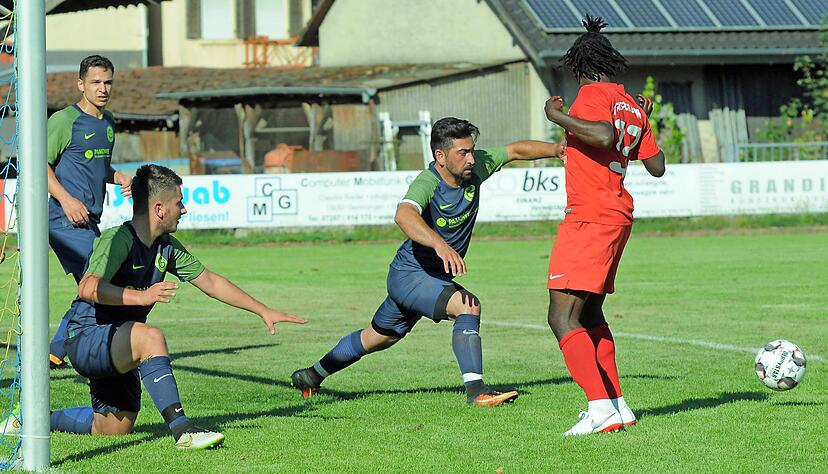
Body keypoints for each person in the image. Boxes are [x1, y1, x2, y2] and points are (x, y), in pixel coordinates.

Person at [4, 164, 306, 449]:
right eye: (179, 202)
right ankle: (183, 430)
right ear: (159, 209)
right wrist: (142, 296)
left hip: (120, 340)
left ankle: (31, 419)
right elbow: (88, 287)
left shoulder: (166, 247)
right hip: (86, 336)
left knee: (113, 428)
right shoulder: (117, 239)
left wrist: (262, 309)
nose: (184, 209)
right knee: (151, 337)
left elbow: (210, 281)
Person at [291, 117, 565, 406]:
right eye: (463, 152)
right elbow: (403, 215)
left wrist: (555, 148)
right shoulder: (428, 182)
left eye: (472, 150)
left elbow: (515, 151)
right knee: (467, 306)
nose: (472, 158)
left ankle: (311, 375)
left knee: (376, 338)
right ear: (440, 156)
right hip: (410, 274)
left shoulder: (476, 166)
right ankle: (476, 391)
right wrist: (440, 244)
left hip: (427, 278)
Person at [542, 15, 666, 436]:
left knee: (561, 316)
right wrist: (646, 120)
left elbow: (598, 135)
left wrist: (556, 116)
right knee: (590, 312)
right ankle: (617, 405)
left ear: (579, 67)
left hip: (590, 216)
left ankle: (599, 408)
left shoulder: (590, 95)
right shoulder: (631, 103)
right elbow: (657, 167)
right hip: (616, 215)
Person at [47, 55, 133, 368]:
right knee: (100, 280)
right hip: (60, 218)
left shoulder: (108, 122)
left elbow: (96, 165)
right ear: (80, 84)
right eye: (95, 82)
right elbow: (39, 165)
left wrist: (117, 176)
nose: (103, 88)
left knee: (96, 283)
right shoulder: (63, 121)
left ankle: (59, 348)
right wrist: (67, 200)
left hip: (89, 220)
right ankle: (63, 345)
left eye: (108, 82)